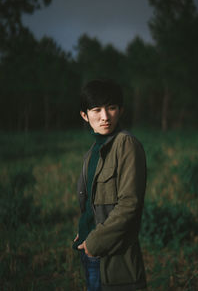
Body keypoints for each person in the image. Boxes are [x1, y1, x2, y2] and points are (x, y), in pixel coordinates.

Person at [73, 79, 147, 291]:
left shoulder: (126, 144)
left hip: (113, 256)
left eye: (111, 108)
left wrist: (94, 243)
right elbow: (92, 204)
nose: (105, 117)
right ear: (84, 115)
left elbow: (129, 204)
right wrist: (85, 231)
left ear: (121, 110)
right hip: (92, 253)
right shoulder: (93, 152)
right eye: (96, 109)